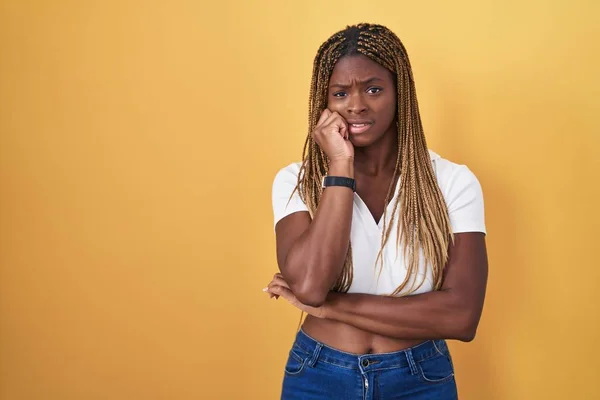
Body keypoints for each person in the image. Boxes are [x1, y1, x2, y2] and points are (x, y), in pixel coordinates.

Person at [263, 22, 488, 400]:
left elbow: (461, 316)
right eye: (340, 93)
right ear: (324, 101)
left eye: (373, 89)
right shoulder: (296, 181)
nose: (356, 105)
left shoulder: (453, 183)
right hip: (318, 376)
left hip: (420, 380)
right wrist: (339, 167)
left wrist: (329, 307)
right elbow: (310, 285)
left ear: (400, 94)